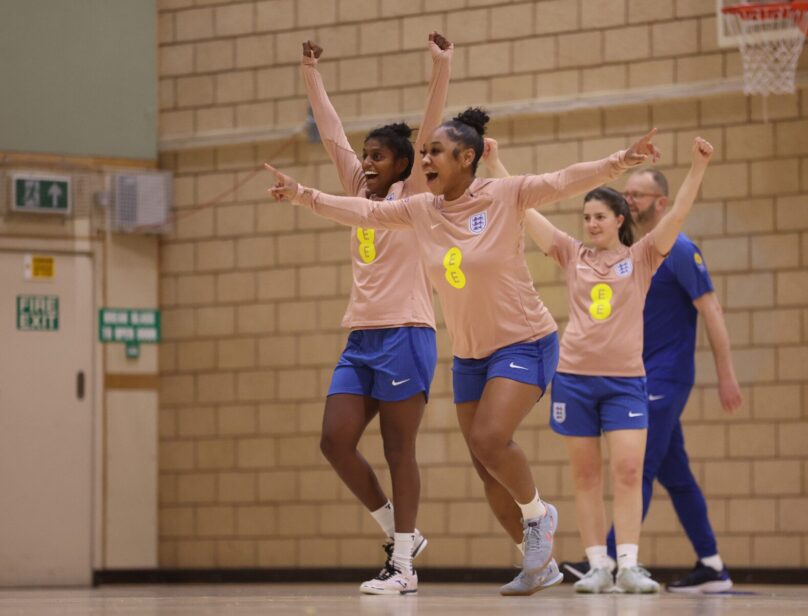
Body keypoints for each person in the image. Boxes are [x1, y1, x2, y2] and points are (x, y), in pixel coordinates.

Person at [265, 110, 661, 595]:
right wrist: (302, 194)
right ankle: (538, 565)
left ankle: (539, 516)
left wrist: (622, 160)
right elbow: (364, 212)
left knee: (492, 438)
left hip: (526, 341)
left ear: (467, 157)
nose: (425, 160)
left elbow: (564, 178)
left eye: (435, 152)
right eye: (424, 152)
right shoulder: (421, 209)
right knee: (484, 462)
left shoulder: (503, 195)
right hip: (471, 355)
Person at [487, 137, 716, 594]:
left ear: (619, 220)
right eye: (586, 217)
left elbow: (678, 215)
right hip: (574, 380)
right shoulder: (572, 254)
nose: (591, 223)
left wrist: (698, 167)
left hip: (626, 382)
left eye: (599, 216)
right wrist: (494, 162)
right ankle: (597, 565)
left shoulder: (643, 257)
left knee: (630, 471)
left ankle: (628, 564)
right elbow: (523, 210)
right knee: (586, 474)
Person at [299, 33, 452, 595]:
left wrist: (441, 67)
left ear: (405, 166)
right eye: (364, 156)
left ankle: (404, 567)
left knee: (397, 449)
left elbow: (430, 123)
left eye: (377, 156)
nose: (365, 163)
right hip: (360, 337)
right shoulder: (356, 192)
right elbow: (331, 131)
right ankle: (399, 533)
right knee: (334, 440)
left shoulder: (412, 197)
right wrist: (309, 71)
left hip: (407, 334)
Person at [603, 166, 744, 594]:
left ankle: (609, 561)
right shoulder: (631, 254)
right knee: (676, 475)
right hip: (637, 375)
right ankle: (712, 565)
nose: (629, 201)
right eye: (625, 193)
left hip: (668, 375)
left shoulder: (679, 249)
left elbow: (712, 311)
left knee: (638, 463)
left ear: (662, 203)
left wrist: (727, 375)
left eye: (639, 195)